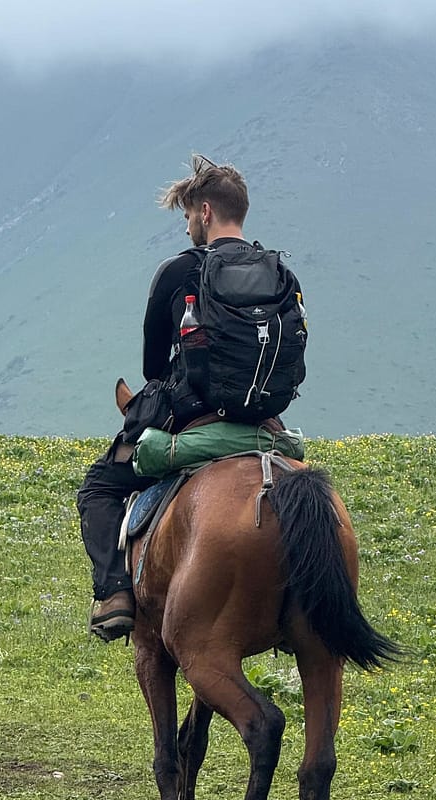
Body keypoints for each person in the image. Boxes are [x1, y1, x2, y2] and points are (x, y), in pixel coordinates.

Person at [77, 155, 288, 641]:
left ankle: (113, 594)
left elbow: (153, 366)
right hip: (265, 417)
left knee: (98, 488)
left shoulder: (177, 272)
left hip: (189, 412)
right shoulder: (278, 274)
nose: (189, 226)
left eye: (190, 215)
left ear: (207, 212)